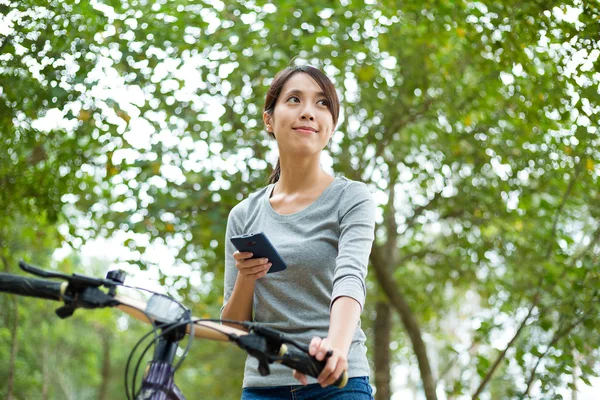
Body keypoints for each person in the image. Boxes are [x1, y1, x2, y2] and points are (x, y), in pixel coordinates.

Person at [221, 65, 376, 400]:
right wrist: (248, 277)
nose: (308, 112)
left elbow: (350, 279)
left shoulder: (351, 198)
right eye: (294, 100)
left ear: (331, 126)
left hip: (336, 383)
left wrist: (334, 347)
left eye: (322, 104)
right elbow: (234, 326)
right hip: (263, 388)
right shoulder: (243, 215)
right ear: (269, 120)